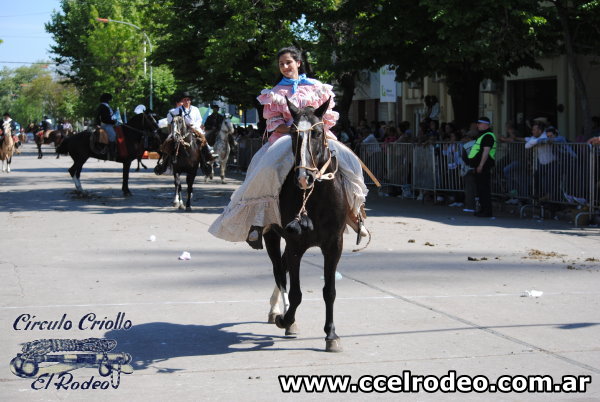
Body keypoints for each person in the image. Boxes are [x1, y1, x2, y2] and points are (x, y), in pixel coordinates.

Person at [208, 46, 368, 249]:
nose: (284, 66)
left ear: (298, 63)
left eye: (288, 62)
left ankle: (355, 213)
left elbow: (326, 117)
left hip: (317, 136)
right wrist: (295, 130)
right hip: (285, 137)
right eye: (281, 64)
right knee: (265, 169)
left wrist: (315, 130)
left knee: (350, 164)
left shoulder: (317, 87)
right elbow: (273, 122)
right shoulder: (274, 93)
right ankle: (259, 221)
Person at [155, 92, 213, 175]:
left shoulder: (195, 109)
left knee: (202, 137)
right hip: (181, 130)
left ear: (190, 101)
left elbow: (199, 120)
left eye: (188, 100)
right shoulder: (178, 109)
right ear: (182, 101)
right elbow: (169, 115)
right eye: (185, 99)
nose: (187, 101)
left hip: (194, 128)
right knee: (169, 139)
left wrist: (194, 125)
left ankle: (207, 154)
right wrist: (172, 121)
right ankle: (164, 162)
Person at [467, 117, 496, 217]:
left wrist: (480, 165)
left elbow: (486, 151)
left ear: (485, 125)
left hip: (484, 166)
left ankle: (487, 212)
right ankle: (483, 210)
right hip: (480, 166)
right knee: (480, 189)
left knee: (484, 190)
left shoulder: (488, 136)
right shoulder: (483, 135)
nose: (477, 125)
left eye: (479, 123)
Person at [96, 93, 118, 160]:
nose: (110, 101)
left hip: (109, 124)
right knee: (113, 136)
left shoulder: (106, 106)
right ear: (107, 99)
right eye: (109, 99)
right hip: (106, 125)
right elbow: (105, 119)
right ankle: (111, 153)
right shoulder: (103, 106)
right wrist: (114, 121)